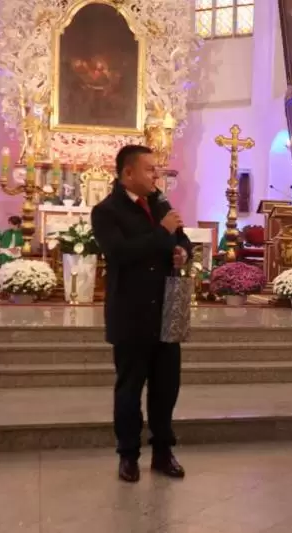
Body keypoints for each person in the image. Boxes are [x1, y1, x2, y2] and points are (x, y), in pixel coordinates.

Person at [91, 145, 192, 483]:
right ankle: (128, 455)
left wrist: (182, 253)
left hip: (166, 310)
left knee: (166, 388)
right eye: (149, 169)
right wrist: (163, 232)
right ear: (128, 173)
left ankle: (163, 452)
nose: (155, 175)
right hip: (130, 313)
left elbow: (183, 242)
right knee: (130, 389)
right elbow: (120, 253)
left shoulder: (160, 204)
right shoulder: (106, 211)